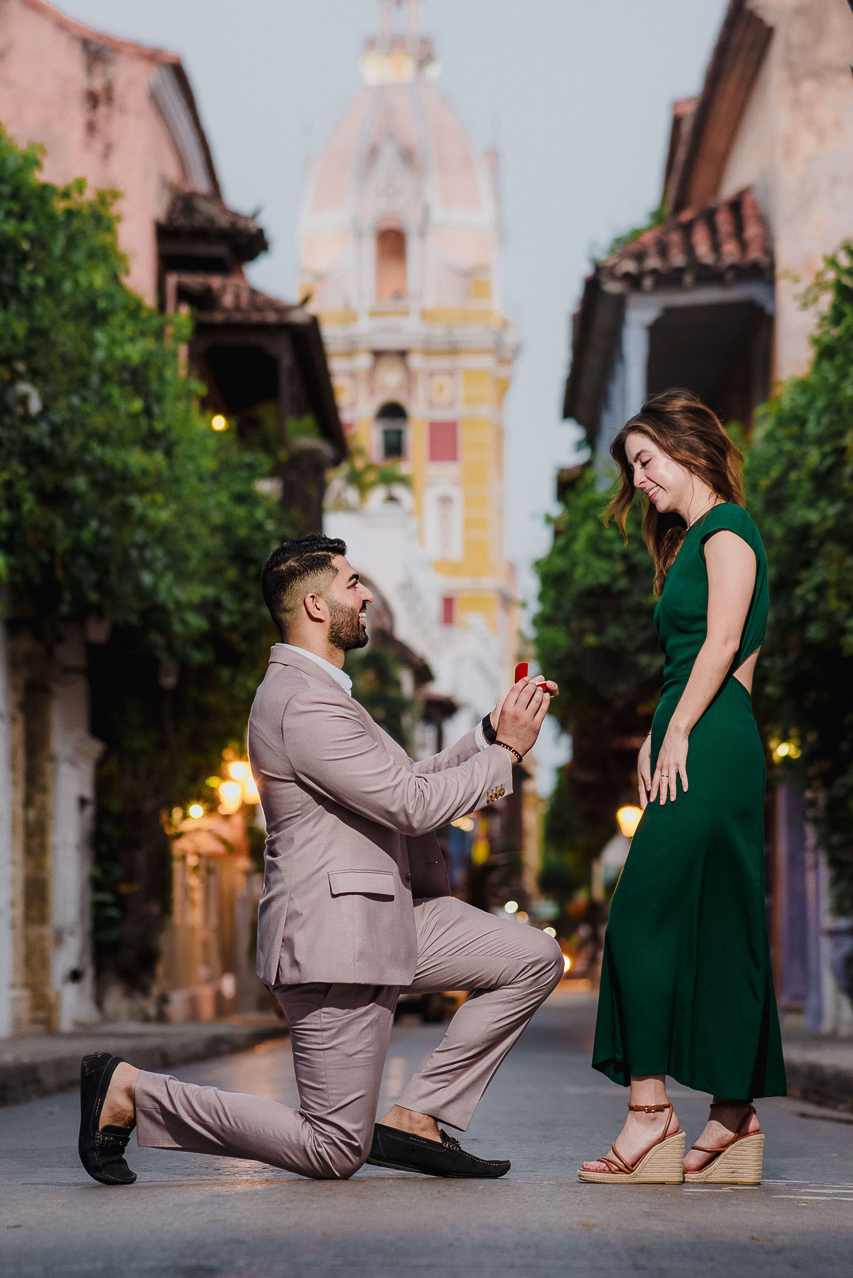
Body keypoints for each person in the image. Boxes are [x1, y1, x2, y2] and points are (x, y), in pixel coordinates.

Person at [79, 534, 563, 1186]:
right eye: (352, 583)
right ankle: (133, 1092)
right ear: (314, 604)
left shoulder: (327, 695)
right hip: (339, 941)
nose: (364, 595)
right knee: (333, 1148)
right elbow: (412, 804)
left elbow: (406, 780)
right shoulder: (300, 701)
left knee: (530, 958)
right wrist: (503, 753)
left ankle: (420, 1116)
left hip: (387, 920)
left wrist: (484, 737)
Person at [579, 391, 786, 1187]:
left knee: (636, 914)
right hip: (705, 734)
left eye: (644, 461)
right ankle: (732, 1117)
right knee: (721, 919)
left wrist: (678, 733)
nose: (637, 481)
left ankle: (648, 1112)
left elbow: (729, 645)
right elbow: (720, 663)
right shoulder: (691, 542)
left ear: (687, 450)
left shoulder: (727, 529)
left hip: (707, 741)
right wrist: (658, 727)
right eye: (631, 468)